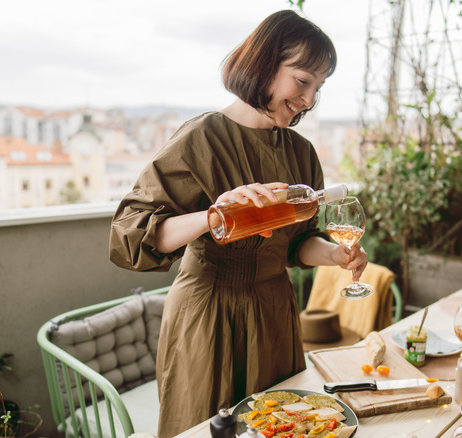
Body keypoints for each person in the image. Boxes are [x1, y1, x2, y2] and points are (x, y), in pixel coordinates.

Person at [109, 9, 368, 437]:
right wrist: (213, 216)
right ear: (264, 63)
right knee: (209, 427)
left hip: (274, 312)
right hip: (210, 313)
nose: (308, 99)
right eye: (302, 81)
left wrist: (334, 254)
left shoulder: (302, 153)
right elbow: (128, 234)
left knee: (282, 423)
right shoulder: (201, 138)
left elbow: (296, 243)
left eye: (318, 88)